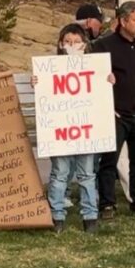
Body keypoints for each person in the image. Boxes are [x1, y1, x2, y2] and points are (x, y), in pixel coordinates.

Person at [90, 1, 135, 217]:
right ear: (123, 21)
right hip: (116, 116)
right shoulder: (104, 46)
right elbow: (92, 76)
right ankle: (107, 205)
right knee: (109, 162)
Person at [43, 25, 105, 234]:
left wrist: (107, 81)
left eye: (76, 42)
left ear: (85, 45)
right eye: (67, 42)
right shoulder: (49, 70)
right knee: (60, 173)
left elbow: (100, 94)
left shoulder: (95, 70)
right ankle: (57, 216)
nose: (72, 46)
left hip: (86, 131)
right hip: (60, 132)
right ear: (61, 44)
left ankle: (90, 217)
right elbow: (46, 95)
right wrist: (38, 82)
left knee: (87, 174)